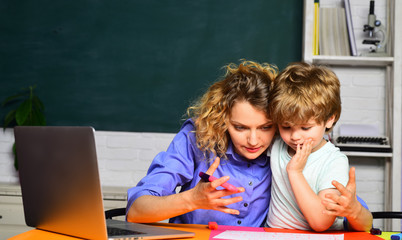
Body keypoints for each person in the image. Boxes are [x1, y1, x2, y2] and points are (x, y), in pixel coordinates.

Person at [126, 60, 369, 228]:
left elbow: (346, 209)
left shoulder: (287, 145)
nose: (254, 141)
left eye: (265, 127)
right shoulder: (197, 137)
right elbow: (136, 211)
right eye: (240, 128)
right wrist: (192, 200)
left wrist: (354, 210)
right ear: (222, 120)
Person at [265, 62, 373, 232]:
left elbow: (320, 222)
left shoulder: (334, 161)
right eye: (286, 126)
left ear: (330, 119)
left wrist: (295, 172)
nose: (294, 136)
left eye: (305, 128)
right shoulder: (278, 143)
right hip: (273, 234)